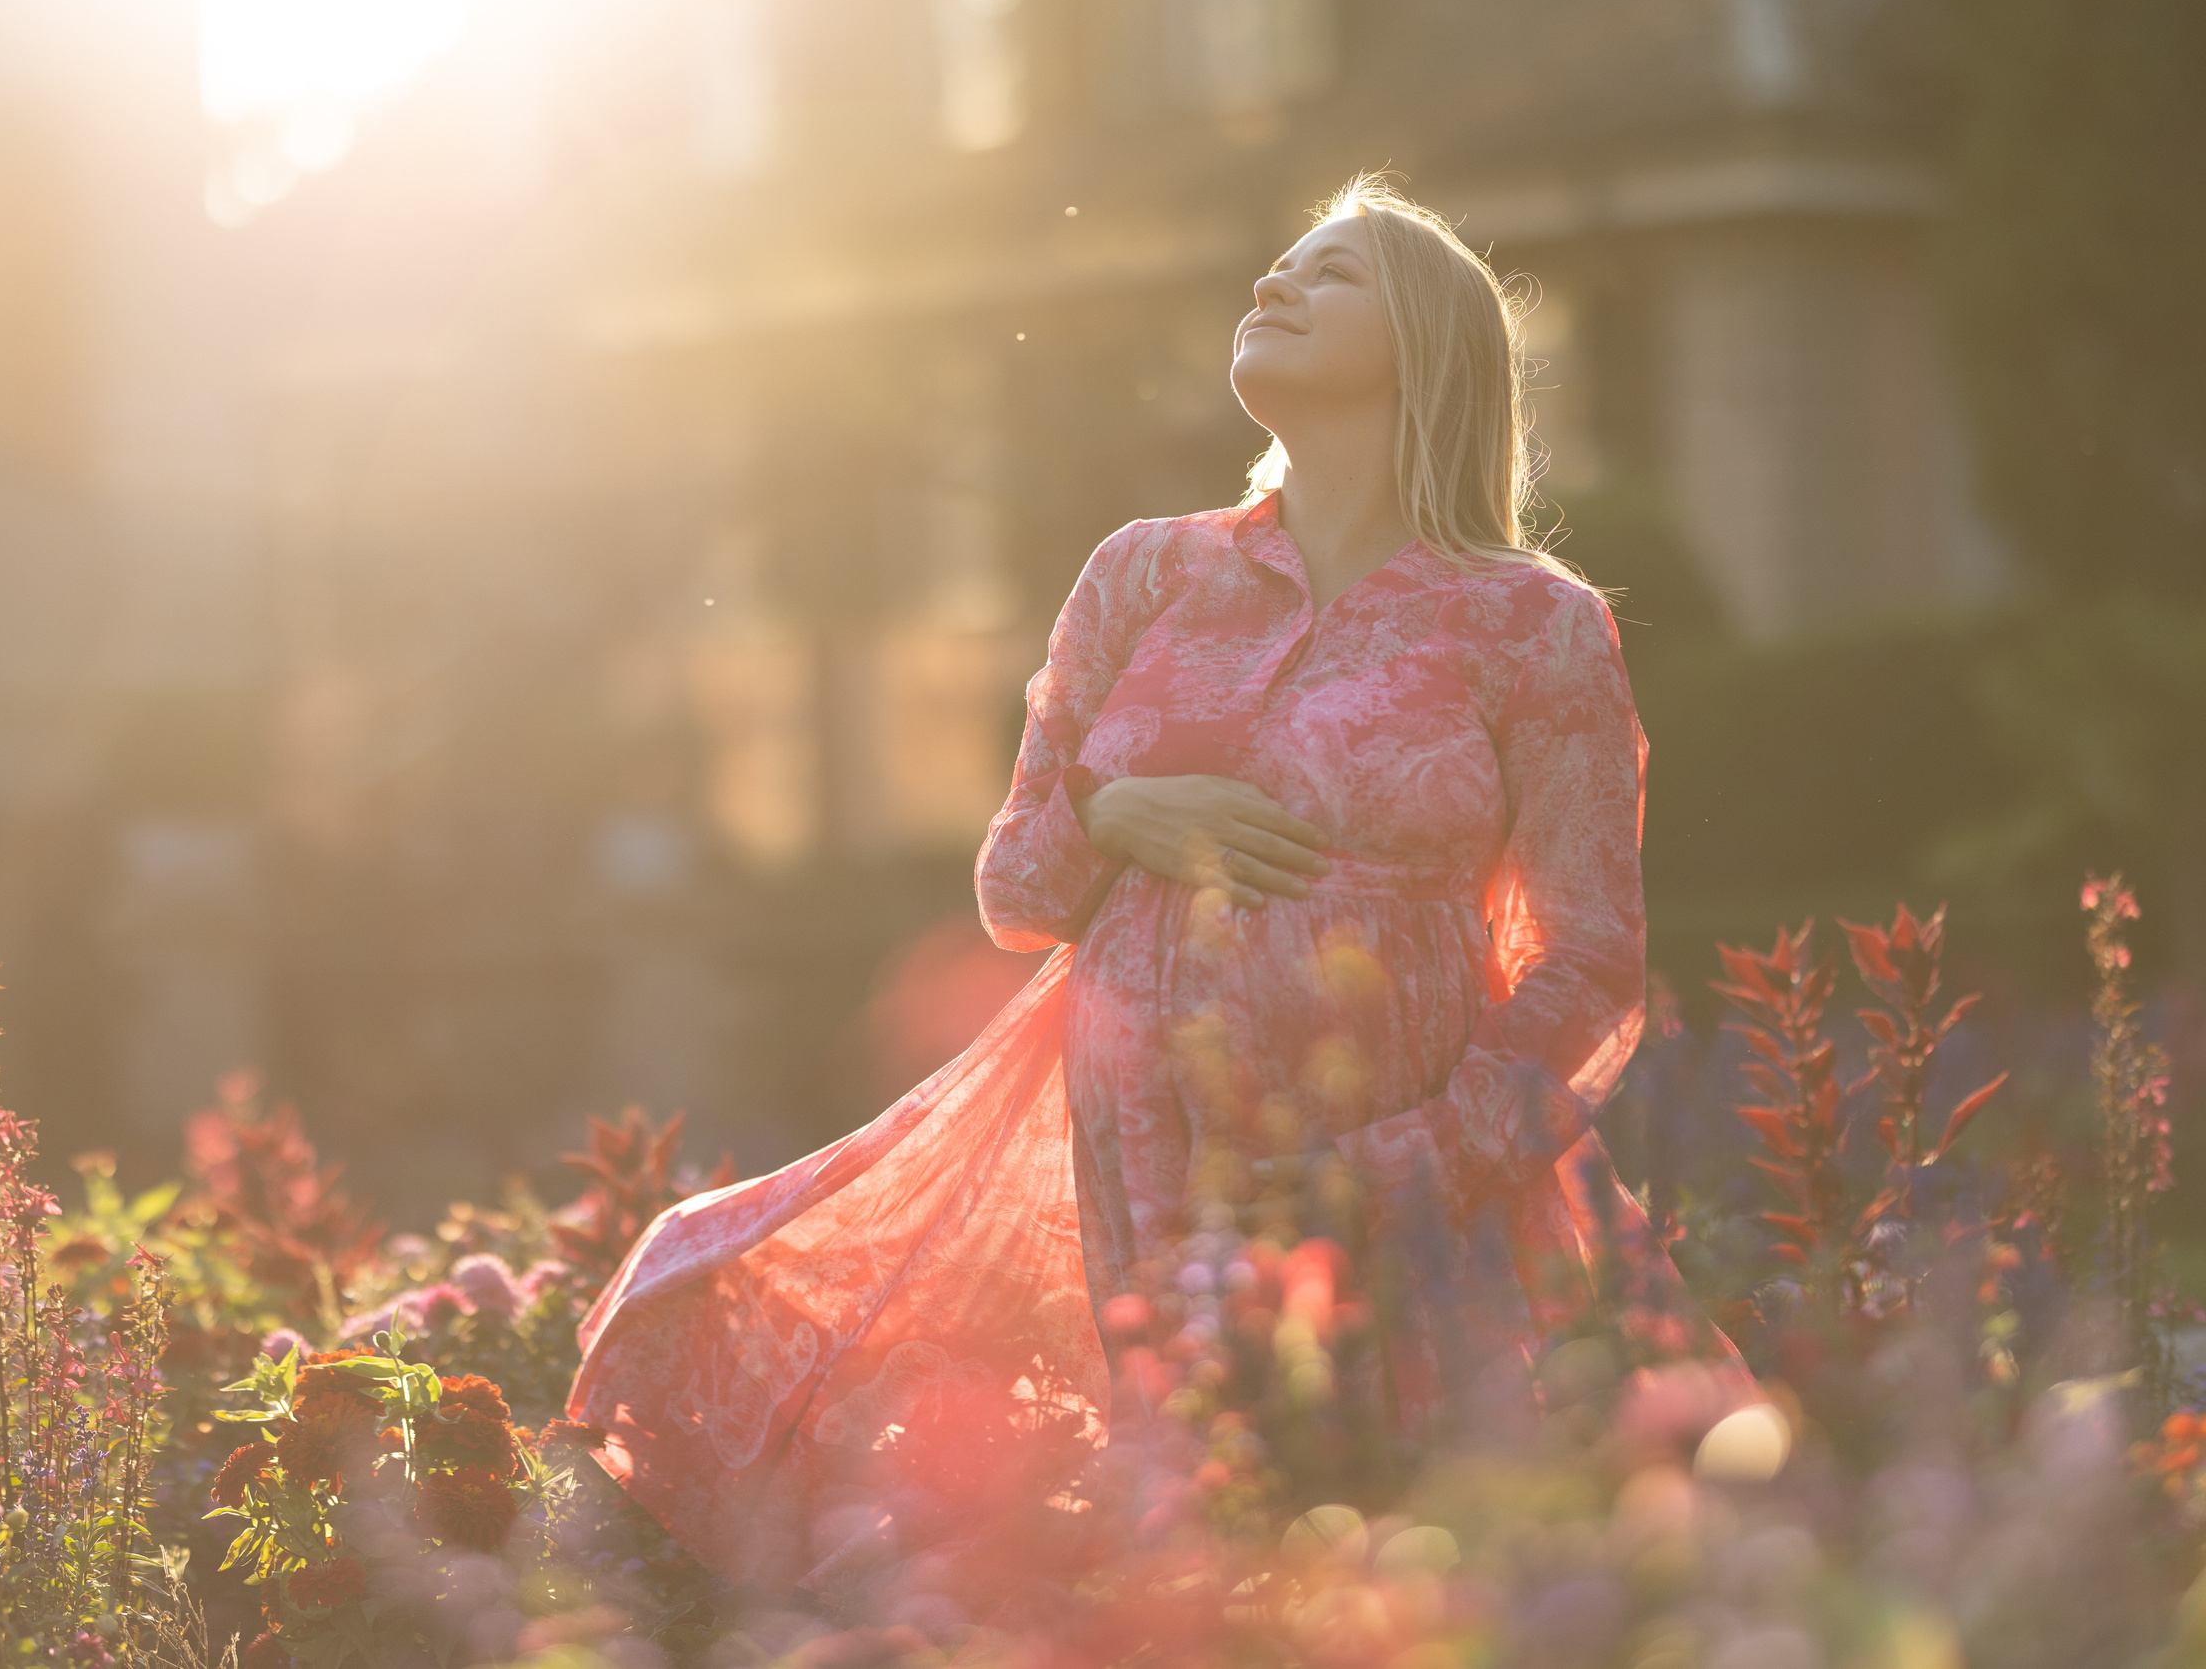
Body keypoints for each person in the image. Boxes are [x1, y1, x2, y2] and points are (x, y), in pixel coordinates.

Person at [564, 174, 1729, 1603]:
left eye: (1330, 275)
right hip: (1150, 1153)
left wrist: (1415, 1165)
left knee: (1405, 1534)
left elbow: (1592, 955)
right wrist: (1123, 810)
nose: (1274, 285)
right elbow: (1015, 887)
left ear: (1430, 345)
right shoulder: (1143, 578)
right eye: (1274, 268)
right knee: (1197, 1518)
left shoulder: (1531, 623)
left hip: (1396, 1168)